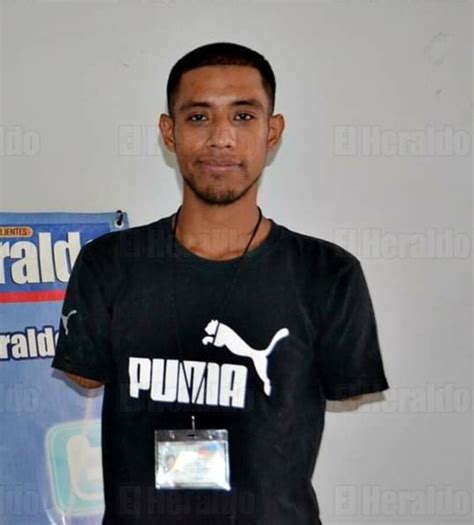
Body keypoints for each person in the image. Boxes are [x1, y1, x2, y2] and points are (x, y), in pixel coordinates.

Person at [52, 41, 390, 525]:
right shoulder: (109, 264)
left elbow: (347, 388)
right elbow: (85, 376)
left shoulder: (328, 273)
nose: (221, 139)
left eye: (243, 116)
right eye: (198, 117)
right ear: (169, 132)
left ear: (273, 131)